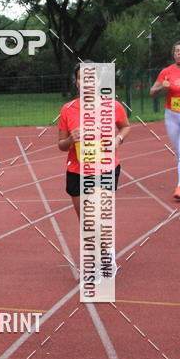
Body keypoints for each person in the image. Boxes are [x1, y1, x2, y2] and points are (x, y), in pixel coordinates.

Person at [58, 61, 130, 276]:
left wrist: (118, 139)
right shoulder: (68, 110)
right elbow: (61, 145)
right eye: (82, 78)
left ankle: (105, 258)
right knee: (88, 223)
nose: (87, 82)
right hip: (77, 171)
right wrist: (71, 138)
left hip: (106, 168)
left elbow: (126, 127)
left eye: (92, 78)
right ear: (76, 82)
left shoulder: (113, 106)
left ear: (99, 81)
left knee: (98, 217)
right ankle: (101, 254)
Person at [149, 40, 180, 201]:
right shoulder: (166, 71)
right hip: (171, 114)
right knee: (179, 151)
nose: (179, 53)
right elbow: (152, 92)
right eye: (176, 51)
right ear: (173, 54)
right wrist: (161, 88)